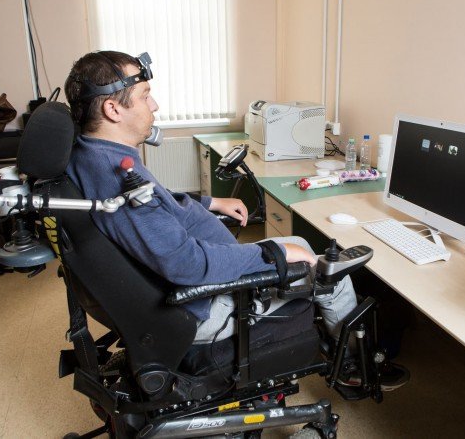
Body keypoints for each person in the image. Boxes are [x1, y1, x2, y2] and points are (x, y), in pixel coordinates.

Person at [63, 51, 407, 390]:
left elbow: (158, 201)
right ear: (113, 109)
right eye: (144, 96)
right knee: (330, 271)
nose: (154, 106)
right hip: (205, 301)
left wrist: (210, 202)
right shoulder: (118, 180)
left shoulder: (94, 154)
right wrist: (273, 254)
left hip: (195, 281)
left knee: (300, 244)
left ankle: (332, 340)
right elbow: (187, 265)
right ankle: (353, 365)